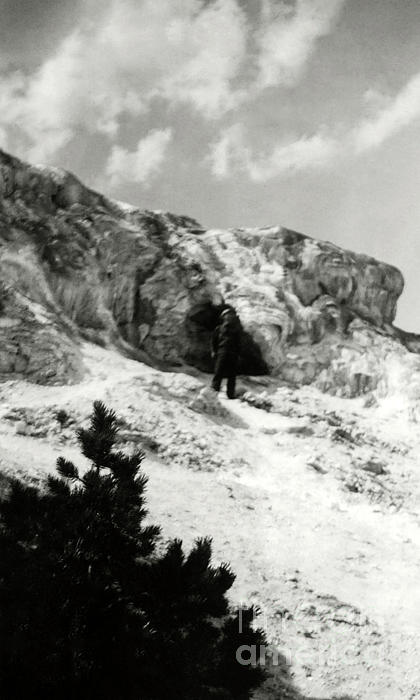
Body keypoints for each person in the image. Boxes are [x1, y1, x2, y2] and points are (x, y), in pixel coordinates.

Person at [211, 306, 242, 399]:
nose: (229, 317)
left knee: (227, 374)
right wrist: (213, 351)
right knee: (222, 372)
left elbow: (239, 343)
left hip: (229, 353)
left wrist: (239, 354)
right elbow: (214, 341)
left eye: (231, 315)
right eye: (228, 315)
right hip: (225, 352)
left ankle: (225, 393)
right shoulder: (220, 329)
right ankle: (219, 391)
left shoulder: (235, 330)